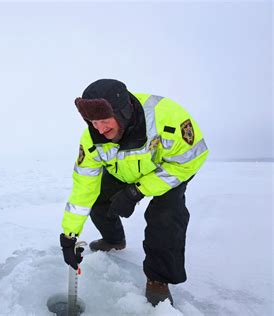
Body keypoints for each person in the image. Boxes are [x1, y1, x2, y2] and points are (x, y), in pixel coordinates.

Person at [59, 79, 208, 306]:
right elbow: (83, 188)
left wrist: (137, 191)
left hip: (166, 171)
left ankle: (158, 279)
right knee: (98, 198)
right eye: (93, 122)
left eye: (104, 121)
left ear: (123, 112)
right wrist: (70, 235)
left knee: (165, 216)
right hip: (122, 173)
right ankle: (114, 239)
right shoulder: (91, 140)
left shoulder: (167, 118)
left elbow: (190, 160)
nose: (99, 129)